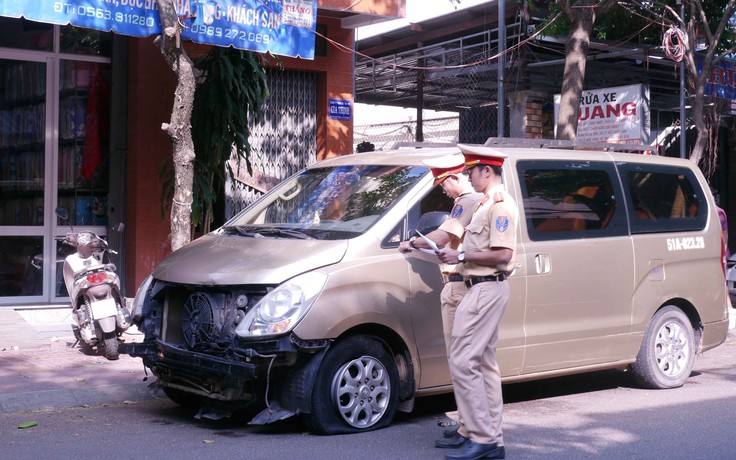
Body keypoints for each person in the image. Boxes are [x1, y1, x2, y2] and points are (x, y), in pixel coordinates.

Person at [435, 145, 518, 460]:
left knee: (463, 360)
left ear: (488, 170)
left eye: (471, 170)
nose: (467, 175)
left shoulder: (499, 204)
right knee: (480, 363)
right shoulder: (486, 203)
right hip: (478, 287)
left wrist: (460, 255)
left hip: (486, 287)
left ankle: (482, 438)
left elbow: (503, 255)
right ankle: (486, 437)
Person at [398, 153, 483, 434]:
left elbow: (442, 238)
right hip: (458, 283)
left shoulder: (467, 201)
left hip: (460, 286)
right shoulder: (468, 201)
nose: (443, 190)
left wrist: (410, 242)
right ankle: (467, 427)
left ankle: (470, 430)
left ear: (456, 177)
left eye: (444, 182)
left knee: (463, 362)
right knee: (462, 362)